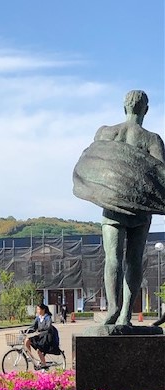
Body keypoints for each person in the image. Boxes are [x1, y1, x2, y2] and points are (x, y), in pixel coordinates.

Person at [73, 90, 165, 326]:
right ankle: (125, 314)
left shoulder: (106, 132)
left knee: (112, 258)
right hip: (140, 211)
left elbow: (93, 164)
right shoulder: (152, 140)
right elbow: (159, 177)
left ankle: (113, 308)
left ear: (125, 107)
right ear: (145, 110)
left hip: (112, 206)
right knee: (133, 260)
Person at [23, 304, 60, 369]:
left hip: (47, 337)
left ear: (43, 310)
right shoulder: (38, 318)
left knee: (39, 350)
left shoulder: (47, 317)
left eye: (38, 309)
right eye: (37, 309)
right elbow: (33, 327)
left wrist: (41, 329)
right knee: (27, 341)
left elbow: (48, 326)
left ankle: (44, 364)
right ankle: (31, 358)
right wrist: (26, 331)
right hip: (41, 336)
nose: (37, 311)